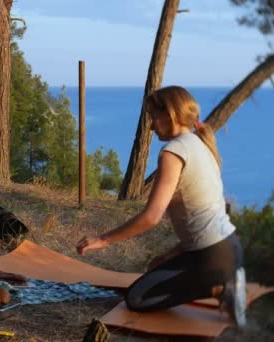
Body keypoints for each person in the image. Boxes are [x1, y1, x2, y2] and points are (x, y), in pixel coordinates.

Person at [76, 86, 246, 327]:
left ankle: (219, 286)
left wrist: (102, 240)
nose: (152, 126)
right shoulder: (199, 145)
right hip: (229, 248)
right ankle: (224, 279)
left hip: (211, 258)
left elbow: (151, 217)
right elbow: (202, 219)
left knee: (137, 298)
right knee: (153, 279)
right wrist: (170, 255)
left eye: (154, 117)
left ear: (171, 115)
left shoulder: (174, 151)